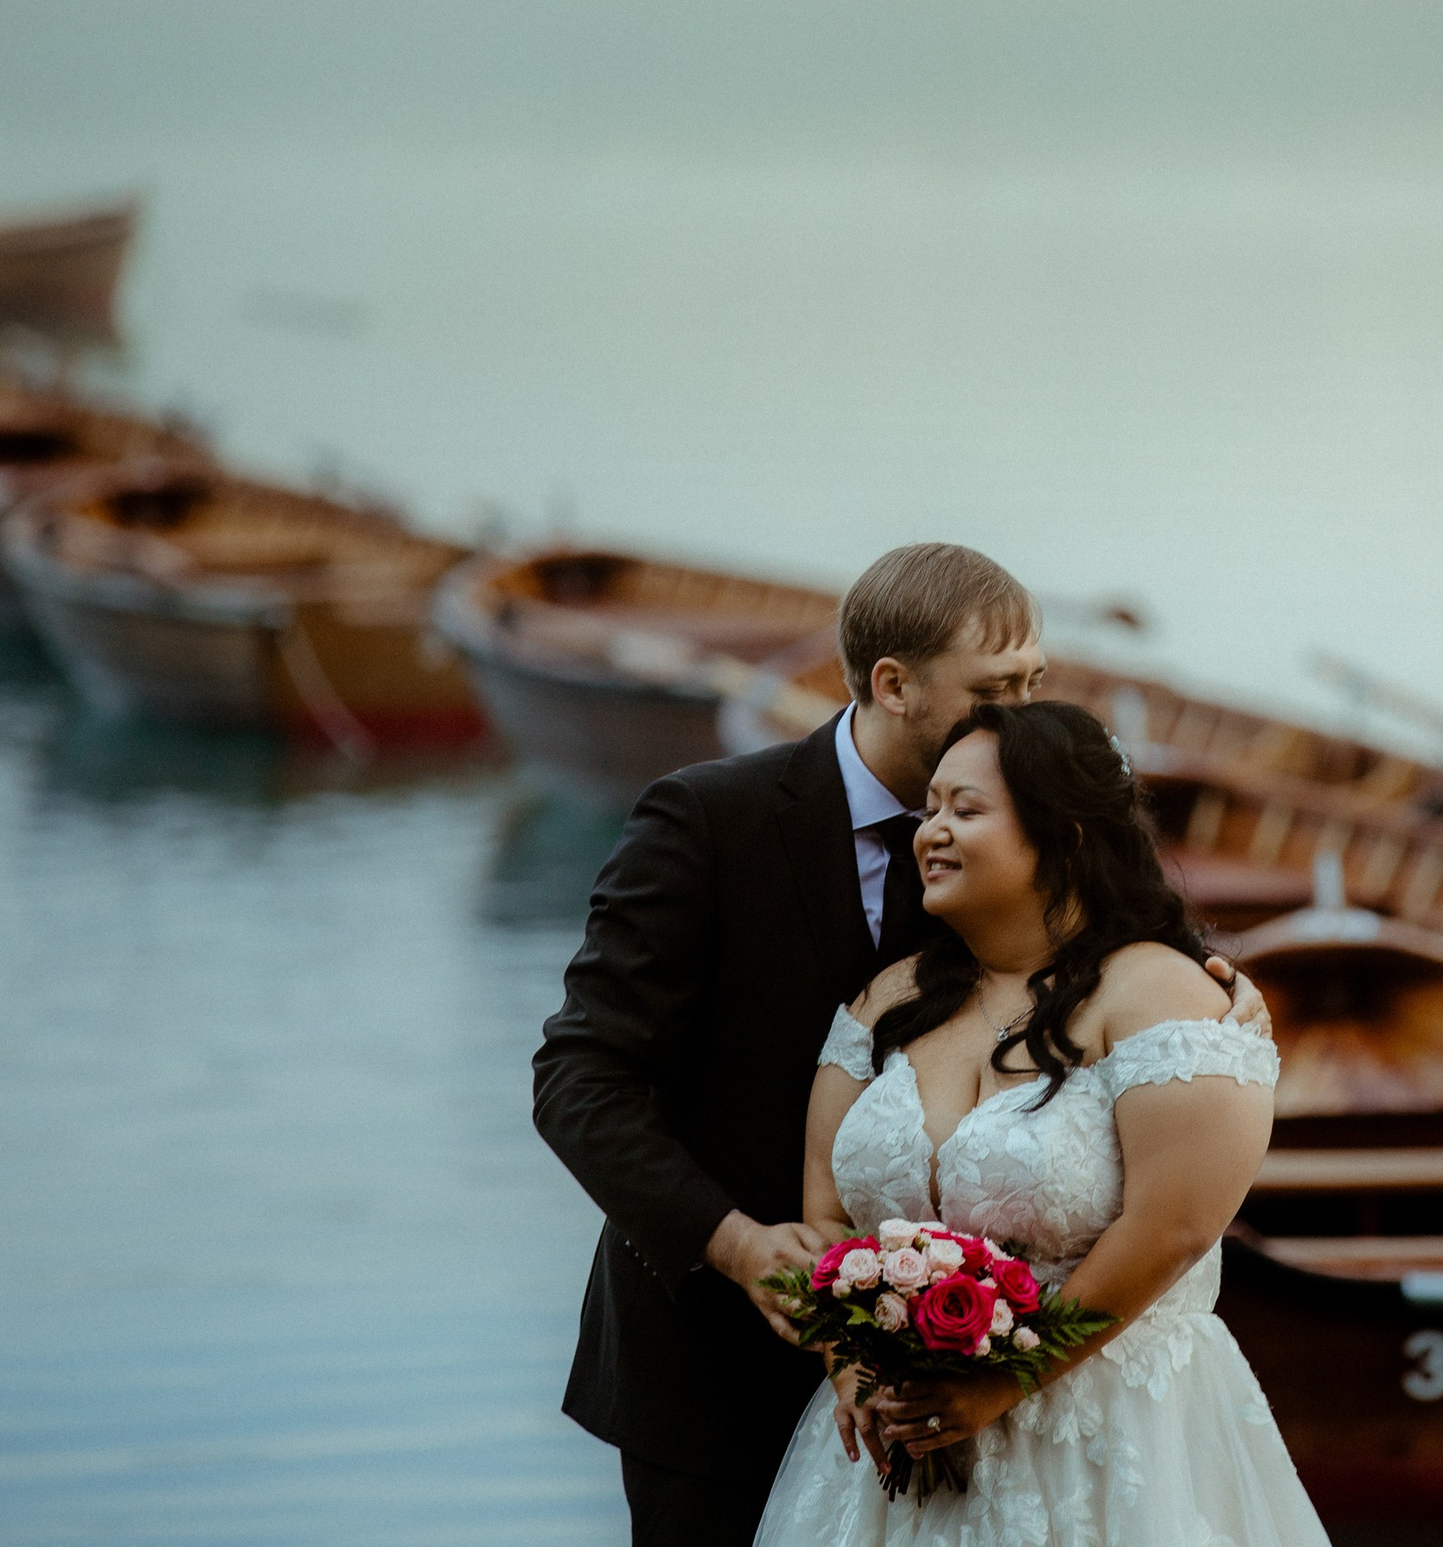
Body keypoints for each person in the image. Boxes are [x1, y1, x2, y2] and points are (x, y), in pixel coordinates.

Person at [531, 543, 1263, 1547]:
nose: (1018, 710)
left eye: (1034, 683)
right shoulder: (707, 821)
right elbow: (578, 1081)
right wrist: (739, 1243)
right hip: (716, 1364)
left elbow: (1090, 951)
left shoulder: (1011, 829)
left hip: (996, 1368)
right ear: (894, 684)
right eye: (993, 687)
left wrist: (1200, 989)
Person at [755, 700, 1329, 1546]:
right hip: (893, 1450)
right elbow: (827, 1209)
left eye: (967, 809)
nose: (931, 832)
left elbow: (1172, 1227)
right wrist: (852, 1366)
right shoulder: (891, 999)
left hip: (1107, 1437)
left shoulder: (1161, 997)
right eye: (931, 809)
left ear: (1064, 835)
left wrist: (1002, 1385)